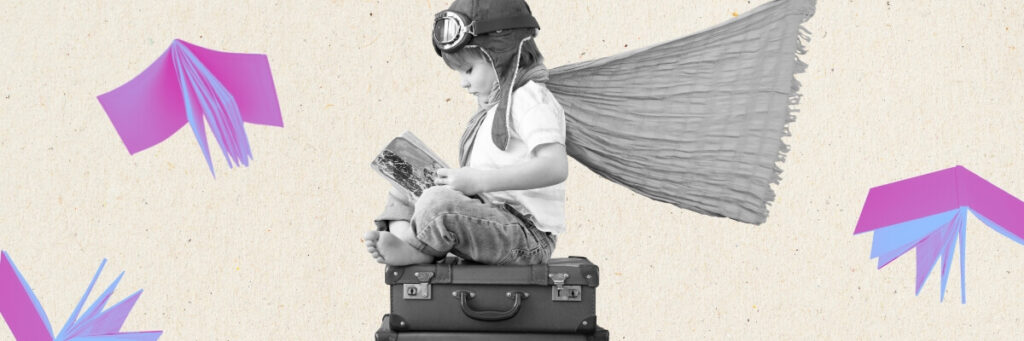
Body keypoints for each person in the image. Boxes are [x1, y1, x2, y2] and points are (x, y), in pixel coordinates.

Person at [364, 0, 566, 266]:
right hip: (492, 217)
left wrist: (479, 181)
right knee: (405, 180)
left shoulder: (530, 98)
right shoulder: (496, 106)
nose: (463, 82)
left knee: (437, 203)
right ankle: (410, 240)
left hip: (526, 237)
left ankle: (418, 251)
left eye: (469, 70)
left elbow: (555, 167)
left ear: (500, 55)